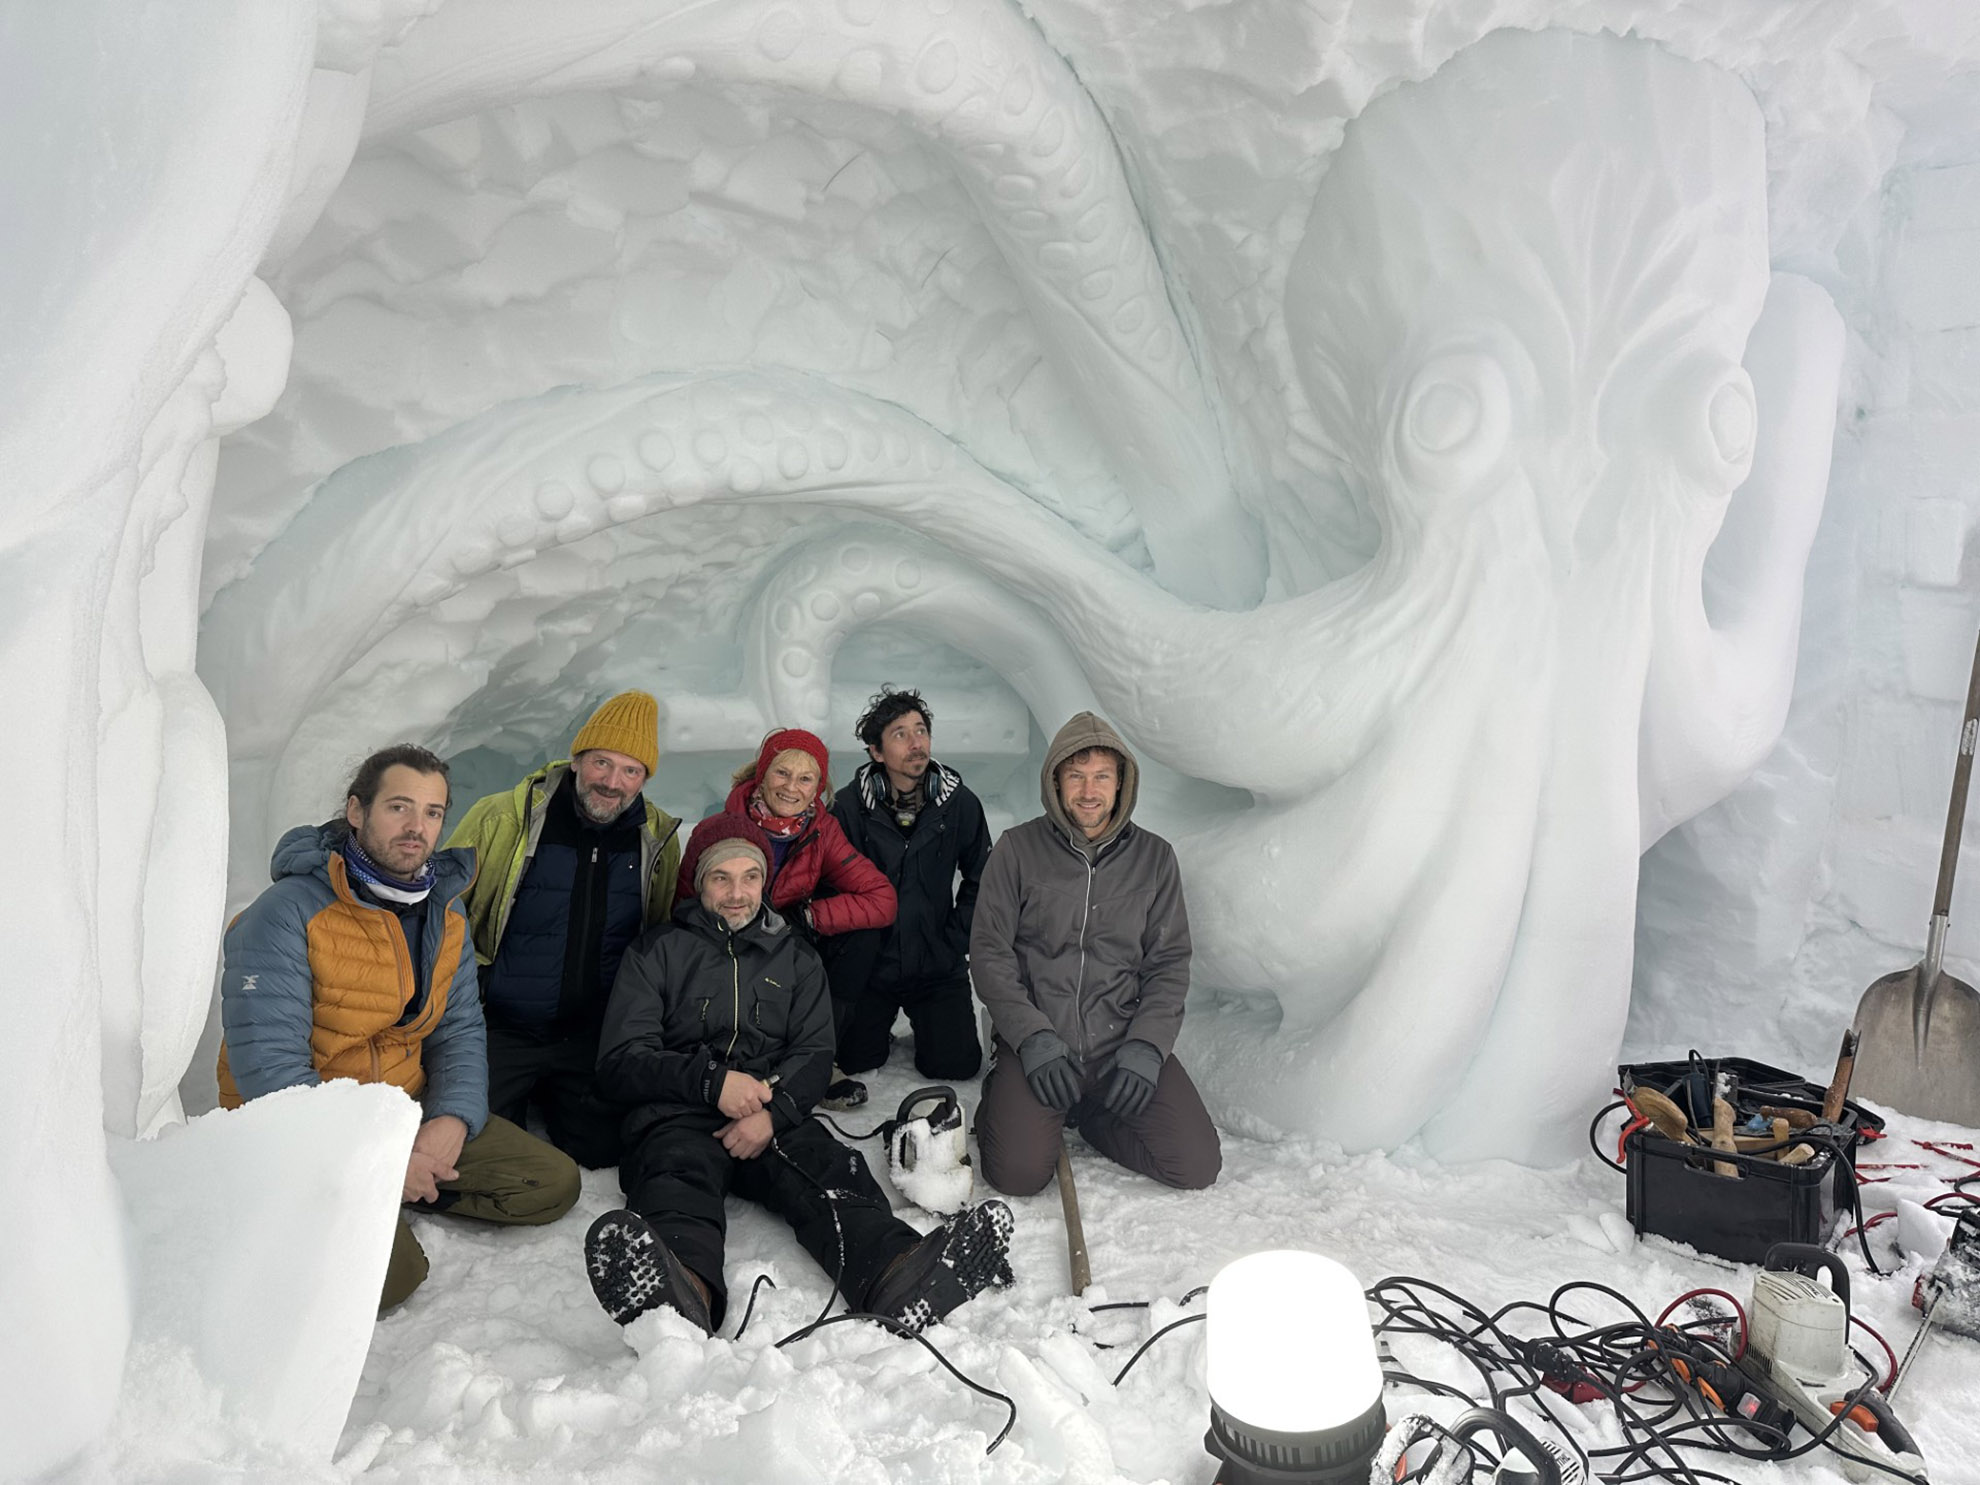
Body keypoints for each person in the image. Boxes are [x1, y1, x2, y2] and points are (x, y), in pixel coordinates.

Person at [585, 813, 1013, 1336]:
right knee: (675, 1180)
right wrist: (711, 1083)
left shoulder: (795, 957)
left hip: (772, 1115)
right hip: (678, 1112)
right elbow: (622, 1059)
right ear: (700, 884)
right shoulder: (657, 951)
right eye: (721, 877)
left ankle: (897, 1273)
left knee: (829, 1172)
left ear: (765, 882)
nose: (737, 892)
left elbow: (813, 1053)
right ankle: (680, 1295)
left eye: (750, 877)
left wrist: (775, 1113)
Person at [217, 744, 580, 1311]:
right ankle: (346, 1200)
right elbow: (272, 1075)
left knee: (549, 1184)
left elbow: (458, 1028)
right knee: (392, 1278)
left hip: (401, 1104)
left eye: (433, 812)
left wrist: (451, 1118)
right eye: (399, 807)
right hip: (306, 1129)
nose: (417, 828)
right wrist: (381, 1163)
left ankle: (393, 1193)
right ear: (357, 812)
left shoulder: (444, 909)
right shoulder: (285, 913)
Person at [969, 712, 1222, 1195]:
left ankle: (1091, 1119)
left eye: (1102, 776)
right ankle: (1005, 1097)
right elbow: (989, 953)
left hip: (1119, 1044)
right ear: (1055, 781)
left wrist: (1147, 1047)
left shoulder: (1154, 858)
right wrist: (1032, 1039)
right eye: (1076, 776)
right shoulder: (1017, 850)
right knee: (1018, 1175)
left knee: (1195, 1166)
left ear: (1121, 782)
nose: (1089, 791)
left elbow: (1168, 963)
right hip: (1040, 1046)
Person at [448, 691, 683, 1168]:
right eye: (601, 762)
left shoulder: (655, 837)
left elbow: (656, 930)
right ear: (576, 760)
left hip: (591, 1032)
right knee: (476, 1147)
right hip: (502, 1023)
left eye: (631, 770)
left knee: (605, 1148)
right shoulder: (503, 818)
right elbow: (442, 912)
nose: (613, 782)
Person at [707, 726, 897, 1107]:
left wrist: (808, 917)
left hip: (786, 945)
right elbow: (686, 904)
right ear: (761, 776)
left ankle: (817, 1059)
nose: (791, 786)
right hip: (728, 944)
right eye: (782, 772)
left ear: (818, 789)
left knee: (858, 938)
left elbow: (882, 898)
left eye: (805, 778)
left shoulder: (821, 829)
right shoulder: (726, 825)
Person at [825, 689, 991, 1093]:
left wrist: (952, 941)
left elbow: (984, 880)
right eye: (900, 734)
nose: (916, 742)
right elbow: (829, 885)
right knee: (854, 1060)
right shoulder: (849, 808)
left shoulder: (959, 804)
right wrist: (856, 950)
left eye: (921, 730)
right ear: (876, 752)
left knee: (956, 1065)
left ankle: (934, 1026)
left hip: (936, 964)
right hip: (871, 968)